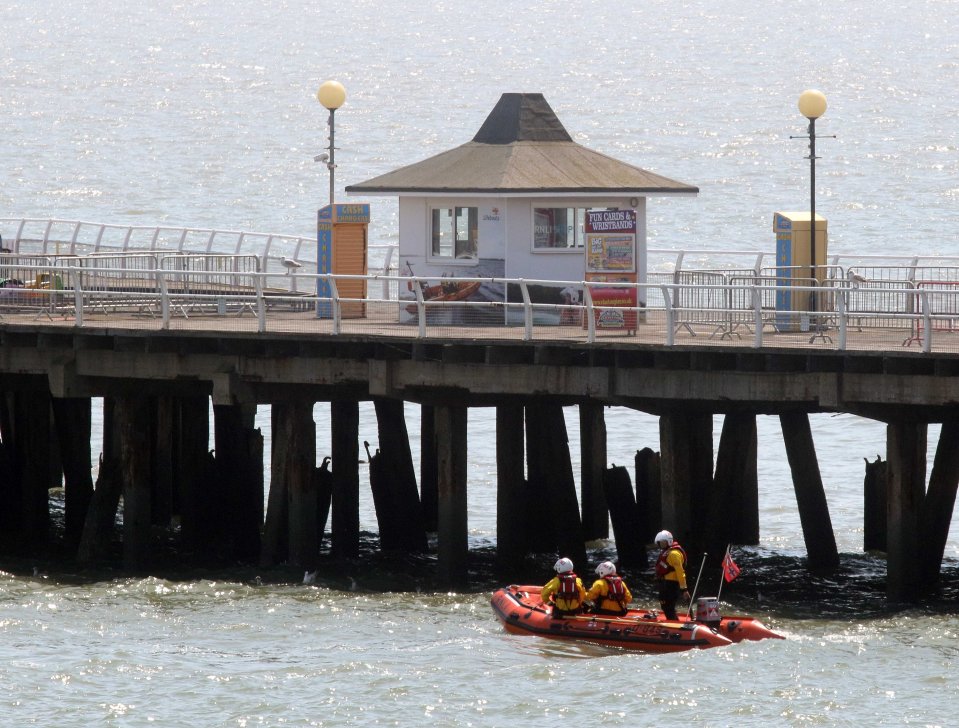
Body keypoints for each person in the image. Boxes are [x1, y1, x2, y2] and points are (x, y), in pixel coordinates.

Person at [653, 529, 690, 620]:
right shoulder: (667, 552)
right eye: (660, 542)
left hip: (671, 584)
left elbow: (680, 572)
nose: (660, 544)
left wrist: (684, 589)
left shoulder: (674, 554)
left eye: (662, 542)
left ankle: (673, 622)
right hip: (666, 583)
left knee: (668, 606)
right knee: (665, 605)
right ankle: (672, 619)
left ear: (668, 541)